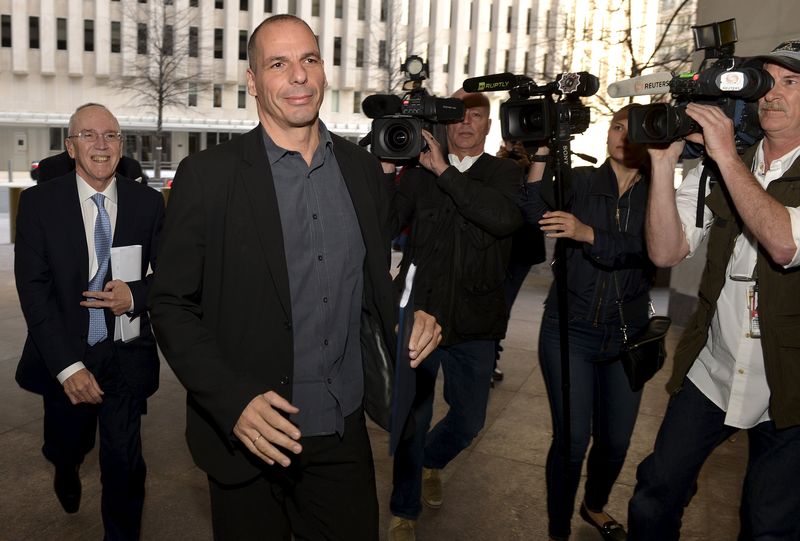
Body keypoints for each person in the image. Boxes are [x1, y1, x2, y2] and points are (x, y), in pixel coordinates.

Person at [147, 14, 441, 541]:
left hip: (341, 429)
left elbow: (374, 284)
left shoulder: (361, 172)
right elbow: (170, 304)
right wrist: (231, 399)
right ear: (253, 82)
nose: (298, 76)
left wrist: (410, 315)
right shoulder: (208, 177)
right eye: (278, 64)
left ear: (325, 73)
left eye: (308, 59)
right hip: (249, 435)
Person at [628, 40, 800, 541]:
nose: (771, 93)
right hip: (714, 365)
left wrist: (725, 154)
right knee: (655, 494)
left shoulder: (727, 162)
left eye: (790, 82)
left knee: (769, 525)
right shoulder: (714, 168)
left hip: (788, 382)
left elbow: (785, 245)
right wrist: (663, 165)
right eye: (765, 81)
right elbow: (665, 252)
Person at [14, 103, 164, 539]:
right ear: (71, 147)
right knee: (68, 442)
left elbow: (175, 275)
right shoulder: (40, 204)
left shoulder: (148, 204)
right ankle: (65, 465)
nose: (101, 145)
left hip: (125, 355)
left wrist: (136, 294)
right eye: (89, 136)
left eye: (111, 136)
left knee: (124, 462)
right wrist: (67, 368)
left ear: (121, 145)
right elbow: (34, 291)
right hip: (64, 352)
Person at [387, 90, 524, 541]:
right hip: (421, 317)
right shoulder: (416, 175)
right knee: (412, 417)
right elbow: (384, 225)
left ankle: (432, 459)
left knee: (468, 421)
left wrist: (443, 170)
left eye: (477, 117)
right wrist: (386, 170)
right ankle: (404, 509)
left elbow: (502, 220)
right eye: (458, 116)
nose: (466, 123)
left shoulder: (504, 173)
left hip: (476, 322)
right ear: (444, 124)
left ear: (489, 126)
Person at [519, 105, 653, 541]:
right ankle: (558, 528)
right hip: (569, 328)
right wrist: (540, 153)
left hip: (627, 335)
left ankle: (593, 506)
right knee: (572, 441)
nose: (621, 135)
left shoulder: (658, 195)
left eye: (632, 129)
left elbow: (647, 250)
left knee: (615, 443)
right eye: (616, 126)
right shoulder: (579, 182)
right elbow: (531, 208)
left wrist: (589, 234)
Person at [493, 140, 548, 384]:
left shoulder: (541, 164)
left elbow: (538, 205)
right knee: (496, 307)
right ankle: (489, 359)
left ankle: (490, 360)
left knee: (501, 307)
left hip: (521, 249)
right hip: (499, 246)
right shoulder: (498, 165)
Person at [37, 149, 147, 185]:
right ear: (70, 144)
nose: (100, 143)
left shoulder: (130, 167)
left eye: (109, 135)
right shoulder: (51, 167)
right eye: (89, 135)